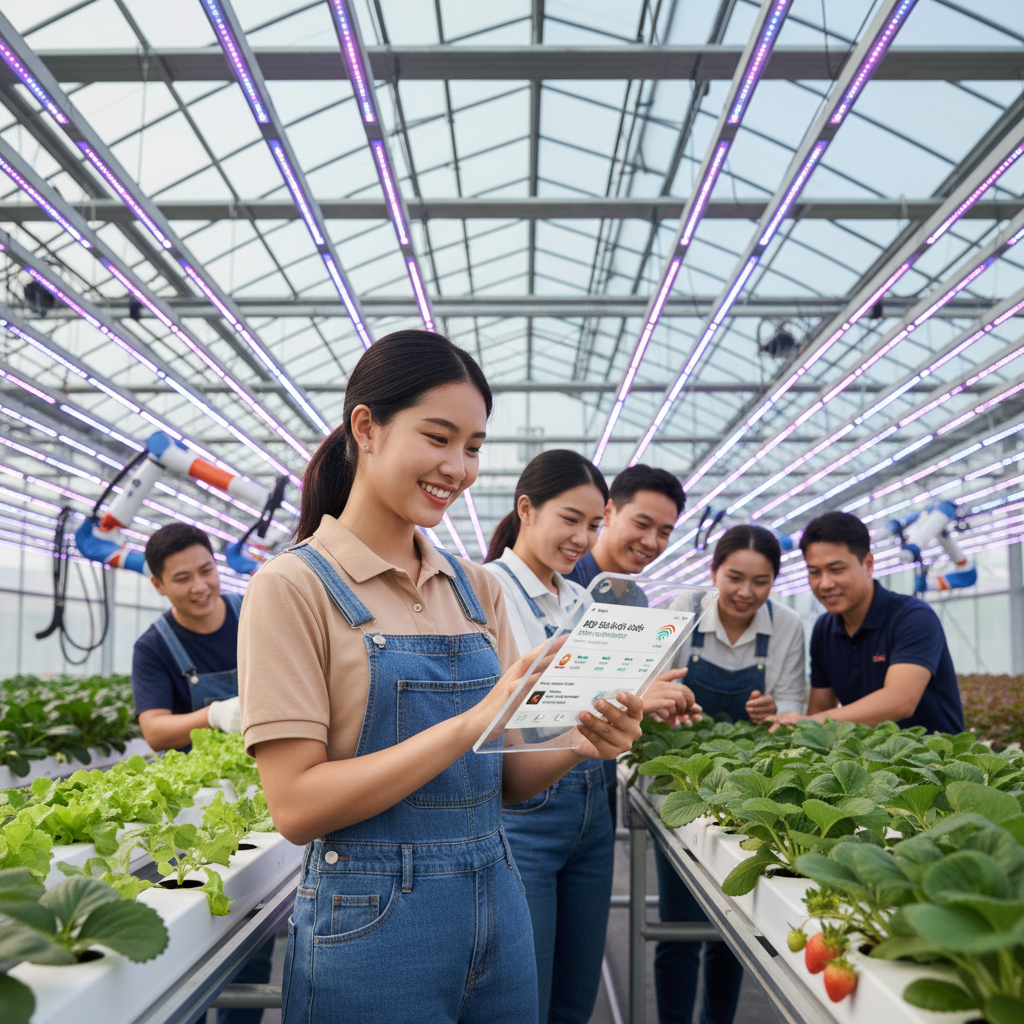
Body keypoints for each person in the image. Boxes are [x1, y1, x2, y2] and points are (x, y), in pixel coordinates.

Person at [237, 331, 644, 1024]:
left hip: (499, 898)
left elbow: (507, 781)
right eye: (439, 437)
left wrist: (582, 739)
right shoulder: (293, 588)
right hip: (371, 922)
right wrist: (469, 721)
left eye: (475, 446)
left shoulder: (474, 588)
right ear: (366, 427)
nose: (458, 466)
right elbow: (297, 806)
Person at [484, 450, 694, 1024]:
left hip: (591, 814)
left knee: (574, 1000)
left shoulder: (581, 600)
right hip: (525, 812)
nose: (582, 538)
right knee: (524, 994)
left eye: (592, 524)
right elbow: (511, 718)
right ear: (526, 509)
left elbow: (592, 698)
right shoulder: (487, 590)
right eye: (569, 520)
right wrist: (623, 697)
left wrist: (641, 699)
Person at [654, 524, 807, 1024]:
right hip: (685, 779)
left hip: (747, 788)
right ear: (713, 571)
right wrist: (668, 703)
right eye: (734, 577)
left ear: (774, 582)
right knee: (679, 920)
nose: (746, 592)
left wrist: (773, 710)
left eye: (760, 582)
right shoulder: (682, 610)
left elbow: (793, 708)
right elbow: (649, 686)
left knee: (737, 922)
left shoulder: (786, 626)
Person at [129, 522, 271, 1024]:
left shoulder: (256, 611)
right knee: (191, 923)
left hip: (262, 791)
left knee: (252, 924)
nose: (200, 587)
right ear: (159, 585)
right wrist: (211, 716)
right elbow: (155, 730)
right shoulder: (155, 647)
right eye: (183, 578)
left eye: (207, 571)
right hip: (196, 808)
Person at [765, 510, 964, 734]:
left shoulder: (913, 617)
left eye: (836, 570)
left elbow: (900, 701)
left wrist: (810, 722)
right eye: (814, 572)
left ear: (868, 564)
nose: (825, 583)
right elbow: (820, 707)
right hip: (869, 761)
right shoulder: (825, 629)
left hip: (936, 761)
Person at [565, 464, 683, 587]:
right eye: (641, 524)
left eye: (664, 533)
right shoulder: (562, 582)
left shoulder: (637, 599)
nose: (651, 543)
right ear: (608, 513)